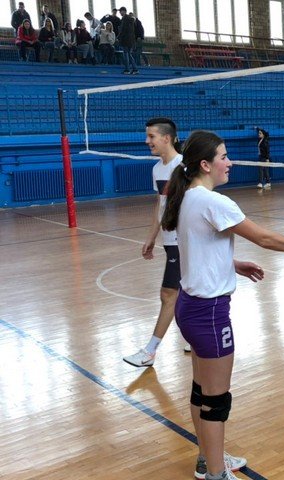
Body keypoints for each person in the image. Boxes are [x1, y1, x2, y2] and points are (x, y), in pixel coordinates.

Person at [160, 129, 284, 480]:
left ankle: (208, 459)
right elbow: (264, 238)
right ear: (205, 164)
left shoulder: (188, 197)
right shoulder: (214, 202)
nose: (230, 162)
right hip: (209, 313)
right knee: (216, 399)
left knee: (202, 390)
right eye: (223, 157)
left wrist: (232, 264)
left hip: (190, 307)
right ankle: (216, 474)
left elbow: (197, 248)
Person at [123, 118, 188, 367]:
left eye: (151, 136)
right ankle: (195, 338)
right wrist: (151, 237)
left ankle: (149, 352)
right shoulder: (157, 169)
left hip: (185, 240)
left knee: (168, 293)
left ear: (166, 138)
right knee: (187, 291)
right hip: (169, 239)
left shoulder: (184, 166)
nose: (146, 141)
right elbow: (160, 205)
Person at [117, 6, 138, 74]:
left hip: (125, 40)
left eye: (121, 11)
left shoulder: (125, 19)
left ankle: (127, 70)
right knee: (129, 54)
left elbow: (123, 30)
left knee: (126, 54)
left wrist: (118, 37)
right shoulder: (129, 19)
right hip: (130, 40)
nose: (120, 13)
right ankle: (135, 69)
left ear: (124, 11)